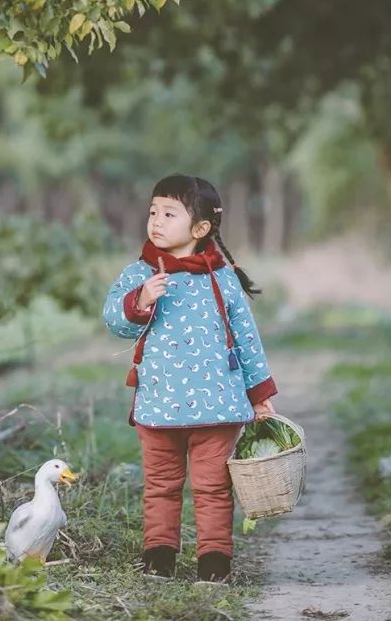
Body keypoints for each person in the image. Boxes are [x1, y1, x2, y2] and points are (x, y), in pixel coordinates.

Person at [102, 173, 279, 584]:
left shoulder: (221, 278)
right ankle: (158, 557)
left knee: (213, 488)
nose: (156, 221)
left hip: (217, 409)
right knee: (161, 486)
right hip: (159, 406)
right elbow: (115, 320)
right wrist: (141, 300)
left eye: (169, 213)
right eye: (152, 211)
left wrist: (259, 394)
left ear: (200, 229)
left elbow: (247, 340)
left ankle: (214, 562)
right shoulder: (139, 274)